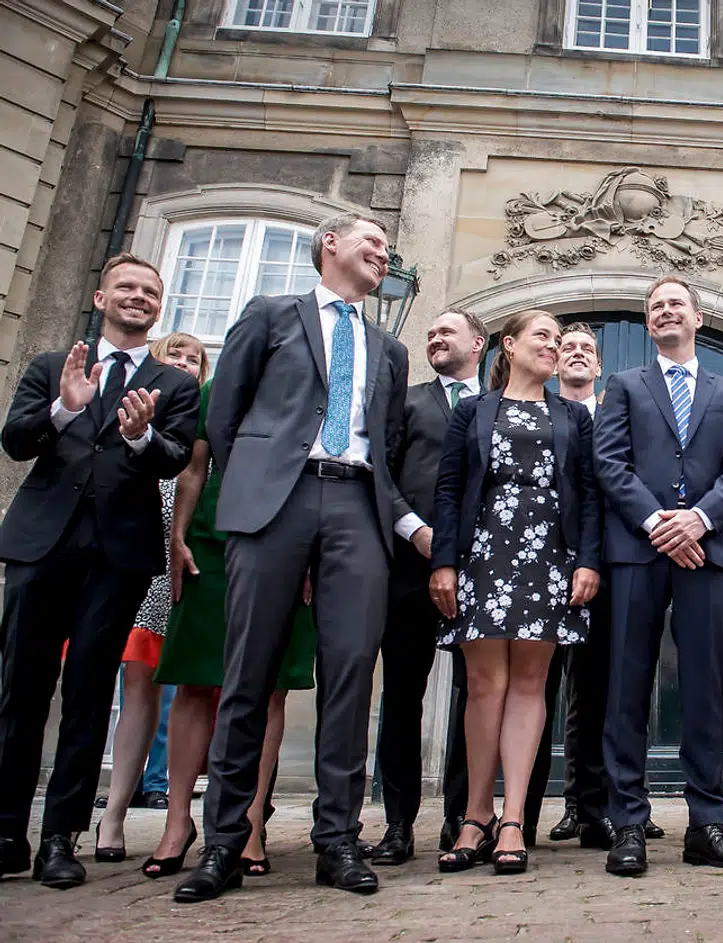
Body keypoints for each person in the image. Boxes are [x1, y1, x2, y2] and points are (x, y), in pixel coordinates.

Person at [175, 212, 410, 902]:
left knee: (350, 676)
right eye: (373, 240)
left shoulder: (387, 349)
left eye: (386, 249)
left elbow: (386, 438)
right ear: (328, 244)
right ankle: (222, 842)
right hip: (272, 502)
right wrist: (258, 481)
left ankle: (335, 840)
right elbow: (224, 418)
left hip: (357, 507)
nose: (382, 253)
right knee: (246, 671)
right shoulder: (270, 314)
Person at [0, 253, 200, 889]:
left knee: (89, 694)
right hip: (43, 544)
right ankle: (7, 832)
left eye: (149, 291)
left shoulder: (175, 385)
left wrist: (141, 437)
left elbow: (173, 460)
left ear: (158, 307)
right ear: (100, 297)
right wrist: (62, 409)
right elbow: (16, 440)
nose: (138, 298)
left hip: (119, 553)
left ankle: (60, 838)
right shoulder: (53, 366)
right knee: (20, 689)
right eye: (127, 288)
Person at [593, 274, 723, 878]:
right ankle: (628, 825)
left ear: (698, 317)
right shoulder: (624, 385)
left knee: (707, 689)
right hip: (638, 551)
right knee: (627, 687)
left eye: (676, 304)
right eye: (656, 306)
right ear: (647, 322)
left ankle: (707, 825)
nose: (666, 312)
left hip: (708, 554)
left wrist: (700, 520)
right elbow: (608, 463)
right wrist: (660, 521)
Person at [430, 308, 602, 875]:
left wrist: (586, 562)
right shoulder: (474, 410)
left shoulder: (574, 416)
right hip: (484, 553)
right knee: (484, 685)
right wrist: (445, 563)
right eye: (543, 337)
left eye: (558, 340)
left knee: (530, 685)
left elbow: (589, 494)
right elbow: (449, 490)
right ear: (509, 344)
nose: (553, 347)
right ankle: (475, 815)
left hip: (550, 556)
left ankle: (513, 819)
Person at [145, 374, 319, 880]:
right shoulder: (218, 387)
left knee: (269, 690)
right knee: (195, 681)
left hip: (288, 536)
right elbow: (194, 468)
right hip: (212, 537)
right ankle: (177, 822)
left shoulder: (315, 388)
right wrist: (177, 537)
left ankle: (250, 822)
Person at [368, 309, 486, 867]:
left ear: (480, 343)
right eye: (431, 333)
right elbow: (380, 473)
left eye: (448, 332)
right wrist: (414, 530)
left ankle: (463, 818)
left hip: (485, 574)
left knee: (476, 695)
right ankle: (397, 823)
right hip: (410, 567)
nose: (436, 339)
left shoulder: (499, 405)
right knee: (402, 696)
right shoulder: (409, 401)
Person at [93, 332, 208, 861]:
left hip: (191, 563)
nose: (185, 364)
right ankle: (113, 815)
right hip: (142, 565)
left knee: (187, 689)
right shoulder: (132, 416)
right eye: (175, 356)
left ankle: (171, 798)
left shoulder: (203, 421)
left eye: (194, 359)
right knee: (135, 689)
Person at [531, 321, 635, 850]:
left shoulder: (617, 412)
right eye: (567, 347)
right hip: (543, 563)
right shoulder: (539, 415)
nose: (575, 354)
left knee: (598, 689)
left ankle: (606, 805)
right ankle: (567, 803)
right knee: (543, 686)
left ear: (598, 365)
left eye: (586, 350)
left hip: (608, 567)